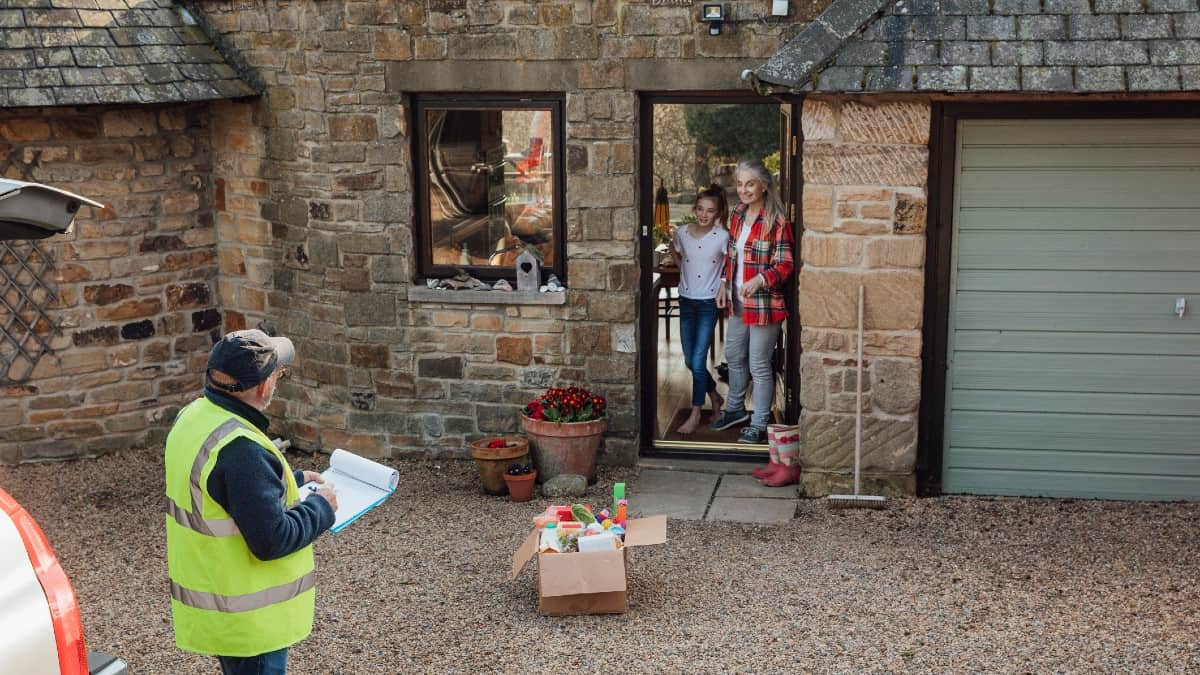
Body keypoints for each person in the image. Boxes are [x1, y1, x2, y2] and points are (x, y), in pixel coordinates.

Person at [164, 329, 338, 675]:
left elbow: (220, 488)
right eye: (278, 374)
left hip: (220, 603)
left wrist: (291, 480)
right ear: (261, 387)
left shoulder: (194, 417)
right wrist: (321, 508)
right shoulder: (243, 452)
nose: (277, 380)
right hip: (252, 624)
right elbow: (271, 539)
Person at [708, 160, 798, 486]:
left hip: (764, 303)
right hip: (736, 301)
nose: (744, 190)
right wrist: (722, 285)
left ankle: (759, 423)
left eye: (750, 184)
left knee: (760, 364)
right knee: (734, 356)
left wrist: (761, 280)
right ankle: (735, 410)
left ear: (763, 185)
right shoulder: (735, 215)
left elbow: (785, 264)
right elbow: (731, 257)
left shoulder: (777, 220)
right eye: (740, 184)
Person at [670, 184, 730, 434]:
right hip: (686, 300)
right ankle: (715, 396)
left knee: (697, 360)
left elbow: (729, 264)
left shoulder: (722, 236)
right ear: (695, 208)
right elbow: (677, 254)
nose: (704, 215)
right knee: (688, 359)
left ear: (717, 213)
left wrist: (722, 286)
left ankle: (696, 412)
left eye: (710, 211)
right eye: (700, 209)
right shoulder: (682, 232)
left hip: (707, 303)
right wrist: (682, 268)